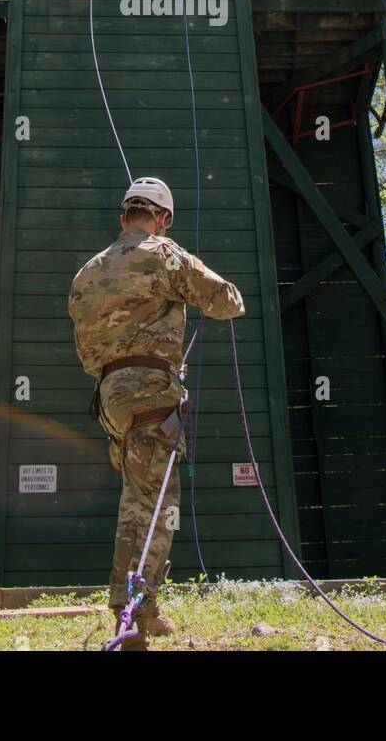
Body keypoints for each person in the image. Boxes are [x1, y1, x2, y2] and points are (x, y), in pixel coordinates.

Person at [68, 177, 245, 650]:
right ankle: (129, 612)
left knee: (139, 495)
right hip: (150, 392)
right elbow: (227, 301)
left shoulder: (86, 273)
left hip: (110, 398)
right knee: (152, 504)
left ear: (123, 215)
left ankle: (143, 609)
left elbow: (87, 355)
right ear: (163, 218)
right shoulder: (165, 255)